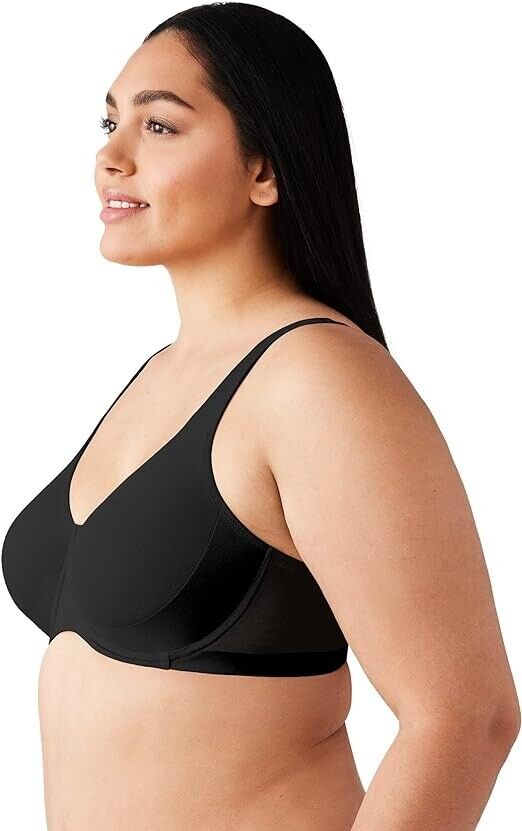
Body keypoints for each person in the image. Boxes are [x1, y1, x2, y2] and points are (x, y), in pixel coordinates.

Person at [2, 4, 519, 829]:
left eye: (159, 125)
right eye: (109, 122)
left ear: (265, 172)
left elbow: (466, 717)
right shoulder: (162, 374)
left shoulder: (319, 378)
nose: (110, 156)